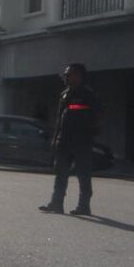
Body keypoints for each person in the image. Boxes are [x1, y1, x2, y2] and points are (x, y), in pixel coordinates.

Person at [39, 63, 102, 215]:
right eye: (66, 75)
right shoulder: (64, 94)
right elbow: (59, 119)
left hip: (81, 141)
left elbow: (97, 118)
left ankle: (83, 206)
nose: (67, 77)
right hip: (63, 141)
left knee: (83, 175)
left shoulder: (88, 95)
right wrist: (55, 138)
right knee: (60, 173)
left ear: (79, 76)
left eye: (70, 74)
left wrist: (90, 134)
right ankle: (56, 203)